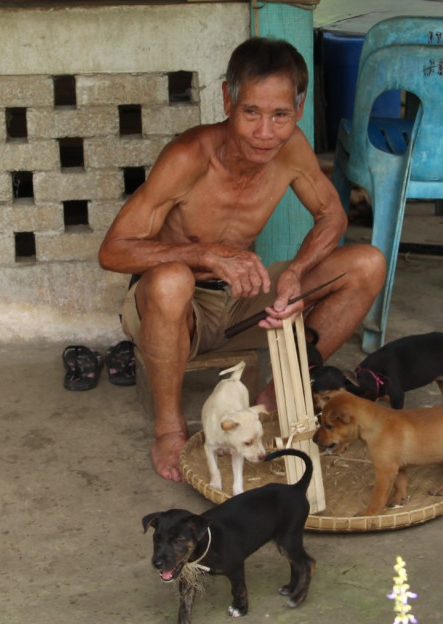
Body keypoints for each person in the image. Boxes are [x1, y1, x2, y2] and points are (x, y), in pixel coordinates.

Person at [98, 37, 385, 482]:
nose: (265, 133)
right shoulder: (189, 156)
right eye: (251, 112)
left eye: (280, 115)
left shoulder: (291, 150)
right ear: (228, 99)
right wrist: (204, 253)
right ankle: (169, 429)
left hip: (243, 300)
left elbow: (332, 215)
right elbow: (113, 249)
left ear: (300, 107)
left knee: (368, 263)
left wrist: (295, 271)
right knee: (173, 278)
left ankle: (270, 402)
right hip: (175, 309)